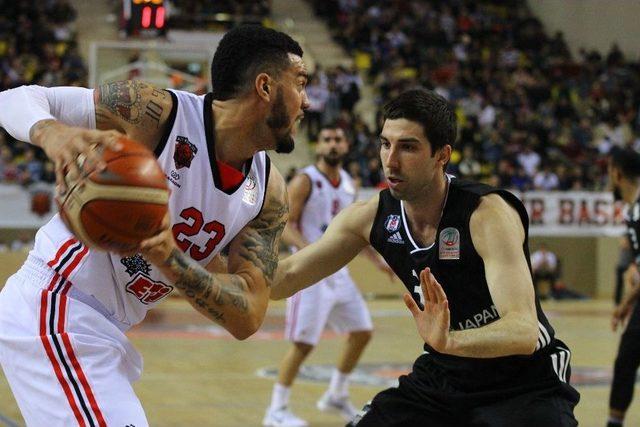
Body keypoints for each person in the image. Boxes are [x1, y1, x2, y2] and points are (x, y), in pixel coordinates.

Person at [0, 25, 309, 426]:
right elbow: (14, 98)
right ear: (265, 86)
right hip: (56, 303)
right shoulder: (157, 112)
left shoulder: (268, 192)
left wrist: (167, 255)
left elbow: (247, 315)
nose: (307, 101)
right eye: (301, 84)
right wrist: (52, 133)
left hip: (108, 329)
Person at [271, 89, 580, 426]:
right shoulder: (368, 216)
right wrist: (209, 263)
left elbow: (523, 331)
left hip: (523, 382)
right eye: (386, 144)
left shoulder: (487, 213)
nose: (390, 161)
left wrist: (450, 340)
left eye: (408, 147)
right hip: (444, 375)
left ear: (441, 155)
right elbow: (285, 278)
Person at [264, 125, 392, 427]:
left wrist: (379, 261)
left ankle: (336, 393)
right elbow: (286, 224)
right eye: (327, 139)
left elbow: (356, 233)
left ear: (346, 145)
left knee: (362, 331)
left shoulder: (350, 182)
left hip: (339, 275)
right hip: (310, 276)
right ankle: (276, 410)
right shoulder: (306, 180)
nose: (333, 144)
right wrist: (312, 252)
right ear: (318, 146)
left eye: (338, 139)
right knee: (304, 344)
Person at [607, 147, 640, 427]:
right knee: (626, 361)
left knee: (626, 361)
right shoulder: (633, 212)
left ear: (617, 173)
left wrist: (623, 303)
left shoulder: (639, 210)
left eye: (609, 173)